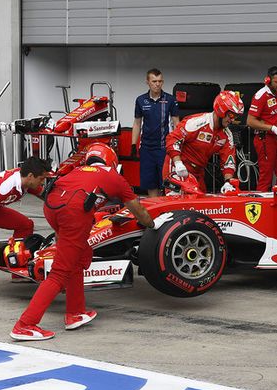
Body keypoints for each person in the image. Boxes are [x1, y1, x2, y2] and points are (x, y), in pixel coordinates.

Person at [10, 143, 174, 341]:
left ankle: (75, 313)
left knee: (80, 257)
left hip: (52, 208)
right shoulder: (114, 177)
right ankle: (25, 325)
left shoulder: (78, 170)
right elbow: (137, 209)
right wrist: (153, 224)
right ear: (111, 160)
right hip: (73, 213)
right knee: (60, 272)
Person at [164, 91, 243, 193]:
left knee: (201, 203)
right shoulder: (197, 122)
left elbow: (228, 161)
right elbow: (173, 139)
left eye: (235, 117)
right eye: (231, 115)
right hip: (178, 166)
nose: (232, 120)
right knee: (177, 202)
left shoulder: (227, 135)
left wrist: (228, 182)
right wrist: (178, 163)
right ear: (221, 110)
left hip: (198, 171)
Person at [132, 68, 180, 197]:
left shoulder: (170, 99)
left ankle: (167, 212)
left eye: (160, 81)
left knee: (166, 182)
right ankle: (155, 211)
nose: (157, 84)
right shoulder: (140, 100)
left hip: (164, 148)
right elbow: (137, 123)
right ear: (147, 82)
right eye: (154, 81)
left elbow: (176, 124)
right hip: (146, 148)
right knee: (150, 183)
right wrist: (133, 144)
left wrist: (178, 145)